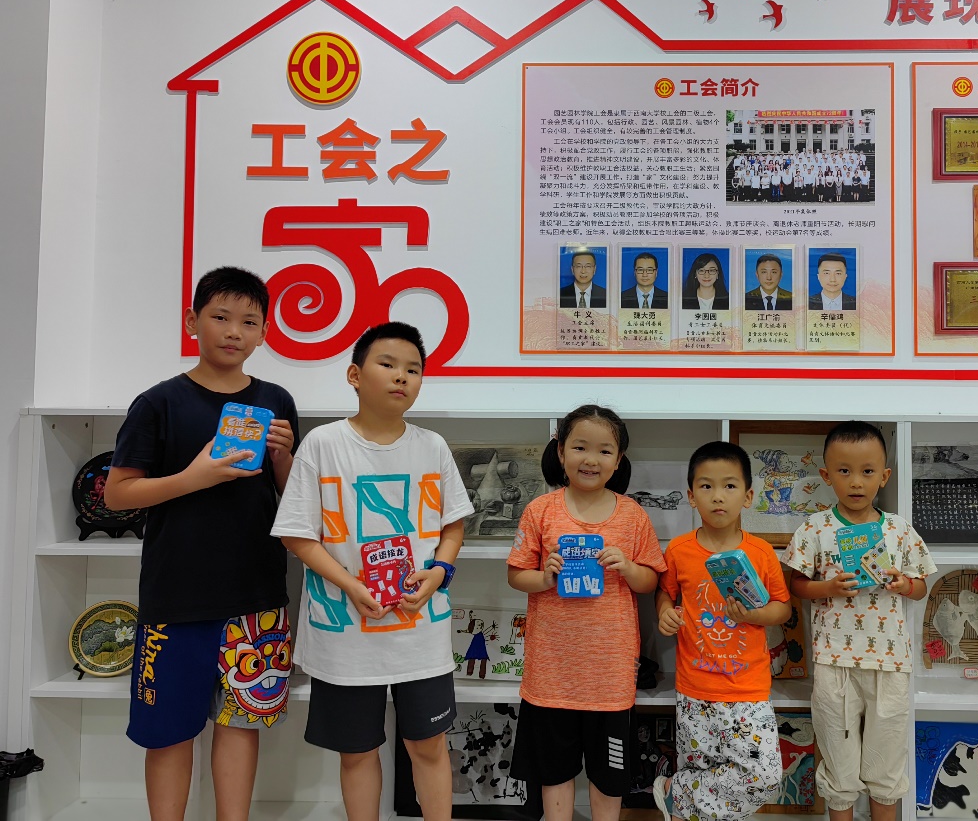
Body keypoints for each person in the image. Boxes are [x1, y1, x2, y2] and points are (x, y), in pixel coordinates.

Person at [104, 266, 299, 821]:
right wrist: (194, 478)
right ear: (192, 321)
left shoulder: (276, 400)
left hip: (257, 595)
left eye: (249, 322)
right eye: (220, 317)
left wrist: (284, 457)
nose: (234, 331)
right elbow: (117, 494)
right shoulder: (158, 403)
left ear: (264, 333)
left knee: (240, 725)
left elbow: (294, 502)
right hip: (176, 597)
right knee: (168, 732)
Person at [272, 322, 471, 821]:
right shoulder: (323, 444)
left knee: (429, 746)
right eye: (388, 364)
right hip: (345, 637)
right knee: (357, 752)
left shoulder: (433, 446)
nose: (402, 376)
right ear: (355, 375)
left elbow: (453, 525)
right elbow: (297, 534)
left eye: (413, 369)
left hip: (420, 633)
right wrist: (351, 585)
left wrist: (440, 571)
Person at [506, 405, 666, 821]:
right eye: (579, 447)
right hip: (551, 671)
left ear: (619, 459)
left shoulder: (632, 515)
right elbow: (516, 575)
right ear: (560, 451)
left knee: (609, 776)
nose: (591, 459)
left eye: (604, 451)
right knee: (554, 770)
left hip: (610, 675)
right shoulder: (541, 510)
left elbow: (651, 581)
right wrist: (544, 577)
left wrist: (627, 567)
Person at [781, 422, 936, 821]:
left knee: (886, 763)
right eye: (844, 471)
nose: (856, 482)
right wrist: (828, 587)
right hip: (834, 661)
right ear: (826, 475)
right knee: (839, 763)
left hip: (890, 661)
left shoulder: (899, 530)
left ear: (884, 476)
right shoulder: (815, 529)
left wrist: (904, 584)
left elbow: (921, 587)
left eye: (867, 471)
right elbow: (797, 585)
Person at [652, 441, 788, 821]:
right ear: (691, 496)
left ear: (748, 496)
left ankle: (675, 790)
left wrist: (754, 615)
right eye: (706, 486)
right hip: (695, 687)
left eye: (729, 486)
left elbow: (783, 607)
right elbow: (665, 593)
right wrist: (664, 612)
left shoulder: (761, 553)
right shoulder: (679, 550)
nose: (717, 496)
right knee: (705, 776)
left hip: (748, 687)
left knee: (763, 777)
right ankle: (683, 804)